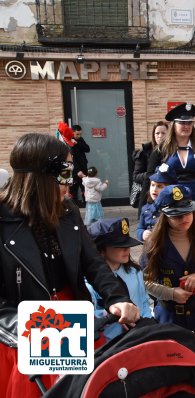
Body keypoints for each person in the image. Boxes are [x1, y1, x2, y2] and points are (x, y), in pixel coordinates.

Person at [0, 133, 139, 397]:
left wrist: (117, 297)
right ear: (39, 176)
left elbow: (93, 262)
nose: (71, 181)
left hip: (72, 322)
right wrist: (36, 328)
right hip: (23, 338)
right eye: (64, 172)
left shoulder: (68, 211)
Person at [143, 185, 195, 349]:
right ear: (164, 216)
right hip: (170, 316)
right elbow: (146, 282)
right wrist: (171, 293)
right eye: (176, 215)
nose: (184, 218)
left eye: (187, 212)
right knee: (173, 365)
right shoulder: (154, 244)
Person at [147, 103, 195, 227]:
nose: (186, 126)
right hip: (171, 202)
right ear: (173, 125)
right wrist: (146, 208)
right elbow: (149, 178)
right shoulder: (161, 149)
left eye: (189, 123)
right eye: (182, 123)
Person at [87, 218, 152, 341]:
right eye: (120, 246)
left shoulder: (135, 272)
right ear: (101, 250)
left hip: (140, 335)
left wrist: (146, 324)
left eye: (128, 245)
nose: (127, 249)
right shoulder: (90, 284)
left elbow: (143, 302)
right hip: (110, 342)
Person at [133, 121, 168, 215]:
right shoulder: (144, 152)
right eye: (157, 133)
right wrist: (153, 174)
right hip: (149, 193)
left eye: (163, 133)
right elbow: (136, 176)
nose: (160, 136)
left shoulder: (172, 151)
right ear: (153, 135)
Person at [136, 163, 177, 242]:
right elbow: (140, 228)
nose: (154, 189)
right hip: (151, 248)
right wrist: (142, 234)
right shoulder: (146, 208)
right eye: (152, 185)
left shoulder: (174, 208)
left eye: (160, 186)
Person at [69, 124, 90, 206]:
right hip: (75, 171)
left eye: (80, 134)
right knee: (73, 190)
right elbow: (71, 158)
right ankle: (74, 208)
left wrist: (77, 143)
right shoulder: (69, 142)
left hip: (83, 167)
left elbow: (87, 149)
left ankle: (87, 206)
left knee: (85, 188)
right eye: (77, 134)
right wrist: (77, 171)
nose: (79, 136)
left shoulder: (80, 140)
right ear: (72, 133)